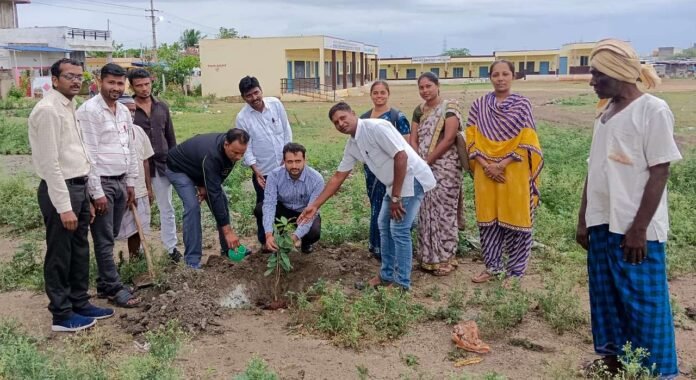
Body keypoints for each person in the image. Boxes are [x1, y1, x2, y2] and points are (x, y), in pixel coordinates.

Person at [576, 39, 680, 378]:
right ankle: (615, 362)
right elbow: (594, 170)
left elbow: (659, 170)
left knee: (644, 304)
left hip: (636, 229)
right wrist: (583, 219)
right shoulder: (605, 114)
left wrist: (638, 229)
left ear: (619, 74)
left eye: (597, 74)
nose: (592, 81)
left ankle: (658, 371)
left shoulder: (653, 110)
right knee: (607, 299)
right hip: (602, 223)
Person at [298, 102, 435, 290]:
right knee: (383, 226)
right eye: (336, 122)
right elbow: (339, 176)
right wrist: (315, 205)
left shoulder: (376, 128)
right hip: (393, 185)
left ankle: (402, 284)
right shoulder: (353, 144)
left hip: (411, 179)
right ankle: (387, 276)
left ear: (353, 113)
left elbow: (401, 156)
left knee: (399, 230)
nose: (341, 123)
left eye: (343, 118)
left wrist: (396, 198)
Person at [29, 58, 114, 332]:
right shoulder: (48, 111)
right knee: (60, 253)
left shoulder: (69, 107)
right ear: (54, 80)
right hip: (60, 190)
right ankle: (62, 314)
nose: (76, 81)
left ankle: (79, 301)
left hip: (77, 187)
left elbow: (78, 155)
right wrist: (64, 206)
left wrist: (87, 195)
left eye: (79, 76)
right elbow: (51, 164)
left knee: (79, 249)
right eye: (69, 76)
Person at [465, 61, 543, 283]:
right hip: (484, 169)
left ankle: (516, 271)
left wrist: (502, 164)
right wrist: (487, 163)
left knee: (517, 217)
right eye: (496, 74)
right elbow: (470, 138)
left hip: (514, 170)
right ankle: (492, 267)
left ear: (513, 76)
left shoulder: (522, 105)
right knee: (488, 219)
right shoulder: (479, 105)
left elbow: (528, 139)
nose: (500, 78)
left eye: (505, 74)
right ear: (490, 77)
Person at [77, 63, 141, 308]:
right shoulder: (89, 111)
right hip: (102, 182)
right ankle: (114, 289)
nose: (116, 88)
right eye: (111, 83)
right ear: (99, 81)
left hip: (121, 181)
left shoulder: (124, 111)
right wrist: (96, 192)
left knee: (111, 235)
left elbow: (130, 149)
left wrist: (131, 182)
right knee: (104, 239)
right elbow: (89, 154)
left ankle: (104, 283)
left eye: (119, 83)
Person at [166, 129, 249, 269]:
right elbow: (214, 191)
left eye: (242, 153)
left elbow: (217, 179)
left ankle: (228, 249)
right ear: (226, 144)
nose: (239, 157)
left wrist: (204, 184)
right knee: (192, 206)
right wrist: (228, 231)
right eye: (235, 153)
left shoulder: (233, 151)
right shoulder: (212, 155)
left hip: (199, 168)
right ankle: (192, 260)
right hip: (178, 168)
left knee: (222, 201)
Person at [410, 72, 463, 276]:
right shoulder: (418, 110)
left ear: (437, 86)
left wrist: (427, 161)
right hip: (422, 166)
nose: (425, 91)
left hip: (445, 166)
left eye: (428, 86)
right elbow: (414, 138)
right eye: (421, 87)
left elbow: (449, 139)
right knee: (424, 210)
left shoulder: (450, 108)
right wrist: (418, 160)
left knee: (444, 212)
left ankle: (446, 258)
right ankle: (428, 257)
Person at [128, 68, 181, 263]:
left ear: (151, 82)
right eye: (139, 85)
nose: (144, 89)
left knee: (166, 208)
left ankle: (171, 248)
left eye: (147, 84)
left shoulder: (162, 107)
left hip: (162, 165)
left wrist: (175, 162)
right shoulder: (128, 109)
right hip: (139, 167)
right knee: (142, 209)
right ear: (132, 86)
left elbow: (170, 137)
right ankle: (140, 250)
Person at [234, 76, 292, 248]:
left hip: (283, 167)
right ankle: (265, 241)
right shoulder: (242, 118)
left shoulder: (275, 104)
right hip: (263, 172)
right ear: (243, 97)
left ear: (261, 90)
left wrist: (287, 156)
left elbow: (286, 128)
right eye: (249, 95)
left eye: (256, 93)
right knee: (264, 206)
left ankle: (284, 238)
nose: (254, 98)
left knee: (284, 203)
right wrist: (255, 170)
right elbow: (246, 147)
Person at [359, 80, 410, 260]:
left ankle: (392, 249)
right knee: (375, 207)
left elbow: (406, 146)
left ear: (388, 94)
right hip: (372, 171)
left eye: (382, 92)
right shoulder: (364, 118)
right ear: (371, 95)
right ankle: (376, 247)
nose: (379, 96)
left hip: (392, 170)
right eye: (375, 93)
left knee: (390, 208)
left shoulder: (397, 117)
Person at [258, 143, 324, 253]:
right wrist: (268, 234)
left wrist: (294, 237)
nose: (294, 166)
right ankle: (271, 240)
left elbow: (310, 213)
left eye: (298, 161)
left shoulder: (316, 180)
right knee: (260, 208)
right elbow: (269, 204)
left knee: (314, 232)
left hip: (305, 212)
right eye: (290, 162)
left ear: (304, 160)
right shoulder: (274, 175)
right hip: (283, 208)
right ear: (284, 161)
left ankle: (305, 243)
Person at [115, 95, 155, 259]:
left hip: (139, 188)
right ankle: (112, 265)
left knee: (138, 227)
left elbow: (145, 160)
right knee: (116, 227)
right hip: (119, 188)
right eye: (128, 110)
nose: (131, 114)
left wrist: (148, 187)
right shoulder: (113, 132)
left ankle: (134, 257)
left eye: (133, 111)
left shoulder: (138, 131)